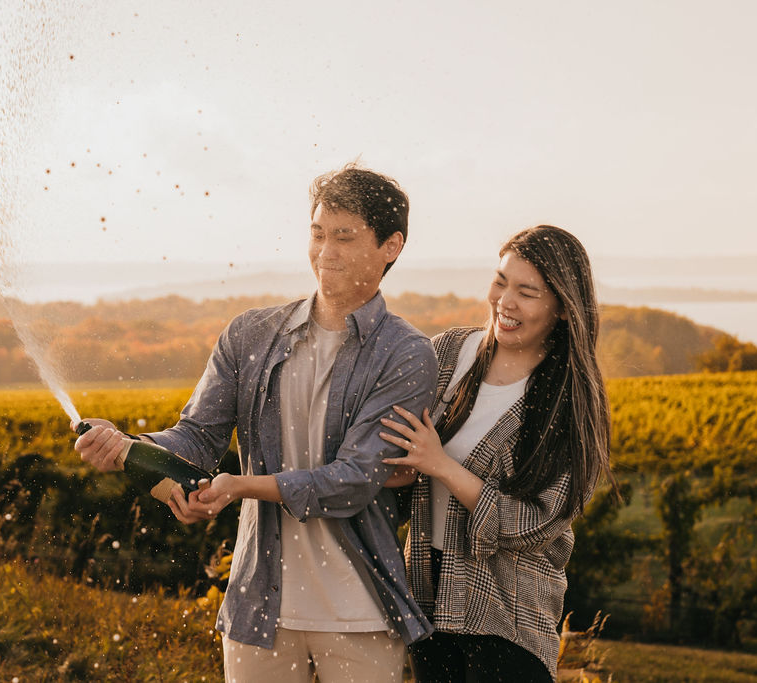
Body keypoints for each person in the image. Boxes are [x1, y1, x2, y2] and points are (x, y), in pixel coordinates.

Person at [75, 164, 436, 682]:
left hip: (360, 611)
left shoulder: (406, 353)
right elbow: (196, 438)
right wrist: (128, 447)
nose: (325, 251)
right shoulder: (249, 334)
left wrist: (241, 486)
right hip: (258, 605)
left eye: (344, 236)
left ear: (391, 246)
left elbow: (355, 480)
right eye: (317, 233)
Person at [378, 225, 619, 682]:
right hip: (429, 600)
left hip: (508, 617)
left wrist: (441, 465)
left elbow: (537, 524)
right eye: (501, 281)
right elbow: (399, 460)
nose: (505, 301)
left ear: (563, 310)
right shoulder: (448, 354)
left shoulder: (570, 401)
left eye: (527, 292)